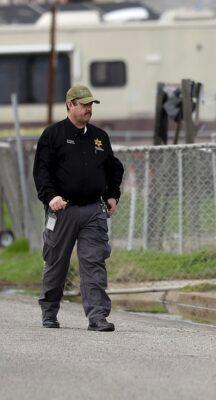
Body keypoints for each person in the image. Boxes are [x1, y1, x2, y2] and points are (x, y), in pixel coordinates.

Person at [33, 85, 124, 331]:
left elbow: (114, 168)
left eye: (91, 105)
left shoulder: (99, 137)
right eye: (84, 105)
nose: (88, 109)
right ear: (70, 105)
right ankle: (49, 311)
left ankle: (97, 317)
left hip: (93, 211)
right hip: (63, 210)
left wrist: (112, 195)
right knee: (56, 263)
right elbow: (42, 172)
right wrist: (50, 197)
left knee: (94, 262)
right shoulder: (52, 135)